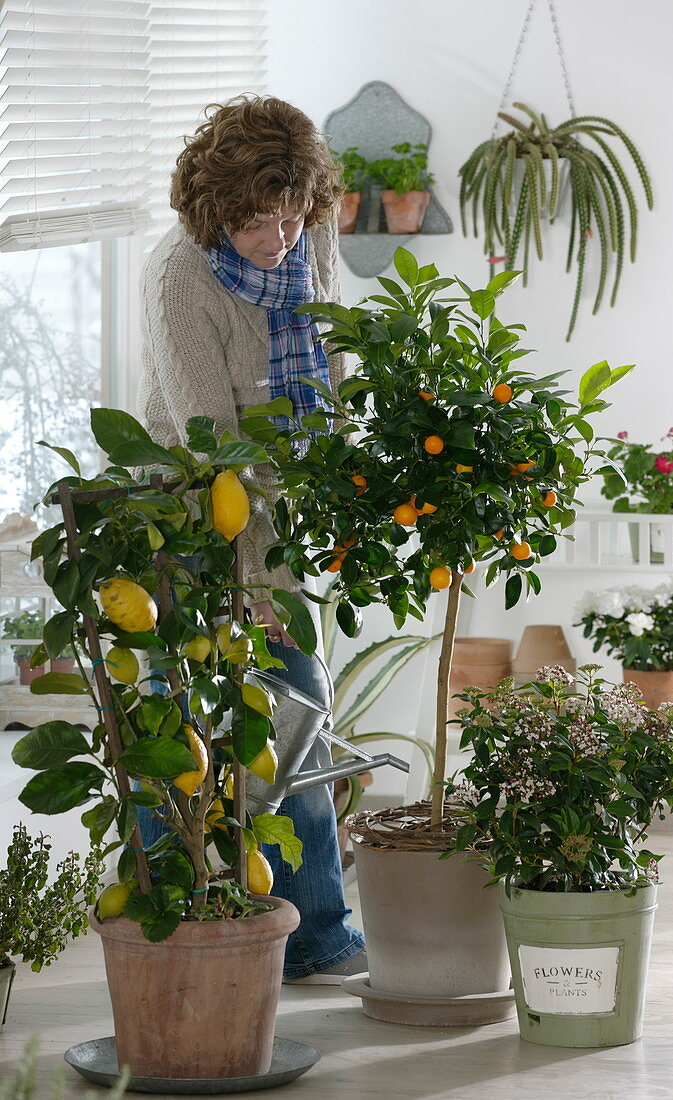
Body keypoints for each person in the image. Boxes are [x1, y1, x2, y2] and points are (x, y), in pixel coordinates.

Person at [136, 95, 366, 983]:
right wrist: (255, 581)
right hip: (189, 519)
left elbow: (330, 349)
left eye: (291, 214)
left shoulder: (307, 235)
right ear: (213, 210)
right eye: (254, 220)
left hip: (280, 514)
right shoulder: (179, 280)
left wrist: (344, 474)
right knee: (179, 732)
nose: (279, 237)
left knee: (299, 722)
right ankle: (177, 934)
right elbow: (210, 443)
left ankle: (315, 937)